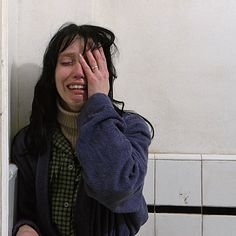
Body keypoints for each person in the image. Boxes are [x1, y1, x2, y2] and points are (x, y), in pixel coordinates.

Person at [11, 23, 154, 236]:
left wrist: (98, 102)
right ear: (52, 73)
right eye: (67, 62)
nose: (79, 72)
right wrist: (25, 228)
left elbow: (117, 188)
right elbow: (27, 210)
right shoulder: (30, 139)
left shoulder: (132, 129)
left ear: (106, 75)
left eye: (91, 63)